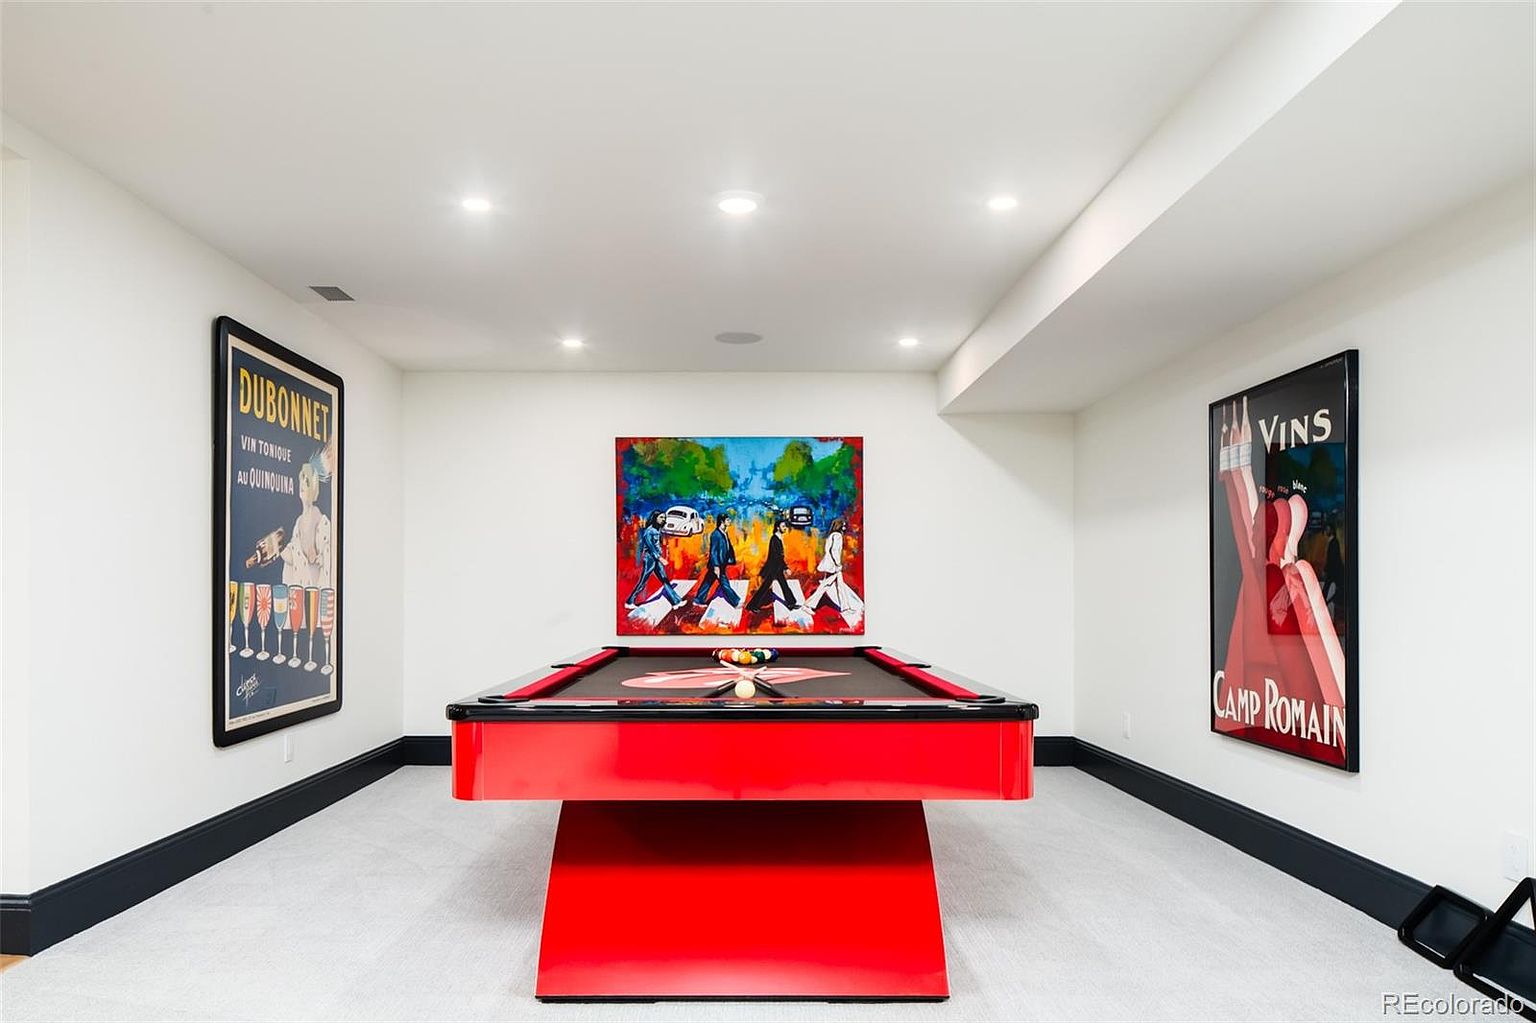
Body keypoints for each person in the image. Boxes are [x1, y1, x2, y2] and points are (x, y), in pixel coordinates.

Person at [626, 511, 682, 608]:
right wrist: (660, 558)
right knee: (643, 581)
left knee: (664, 579)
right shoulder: (649, 531)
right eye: (661, 517)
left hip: (655, 559)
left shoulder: (657, 530)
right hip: (650, 559)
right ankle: (630, 601)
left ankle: (676, 601)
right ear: (655, 518)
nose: (663, 519)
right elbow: (651, 547)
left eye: (664, 518)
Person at [747, 517, 798, 611]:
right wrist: (785, 567)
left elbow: (779, 556)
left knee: (784, 585)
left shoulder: (778, 538)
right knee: (765, 587)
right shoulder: (774, 539)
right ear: (778, 527)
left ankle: (791, 603)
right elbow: (777, 556)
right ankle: (752, 606)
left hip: (777, 567)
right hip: (773, 568)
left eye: (785, 526)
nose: (785, 528)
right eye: (783, 526)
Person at [693, 510, 740, 608]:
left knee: (708, 581)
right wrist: (716, 566)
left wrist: (730, 559)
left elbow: (727, 547)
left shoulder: (723, 533)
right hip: (717, 564)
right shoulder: (716, 534)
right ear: (722, 521)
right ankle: (735, 602)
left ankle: (698, 599)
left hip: (721, 563)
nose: (729, 521)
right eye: (727, 520)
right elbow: (713, 551)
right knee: (724, 583)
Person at [804, 517, 848, 612]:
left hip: (830, 564)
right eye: (843, 525)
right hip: (834, 566)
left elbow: (827, 549)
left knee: (839, 585)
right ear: (839, 525)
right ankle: (808, 605)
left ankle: (845, 607)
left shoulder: (831, 535)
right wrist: (838, 564)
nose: (844, 527)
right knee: (825, 585)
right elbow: (834, 551)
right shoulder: (838, 536)